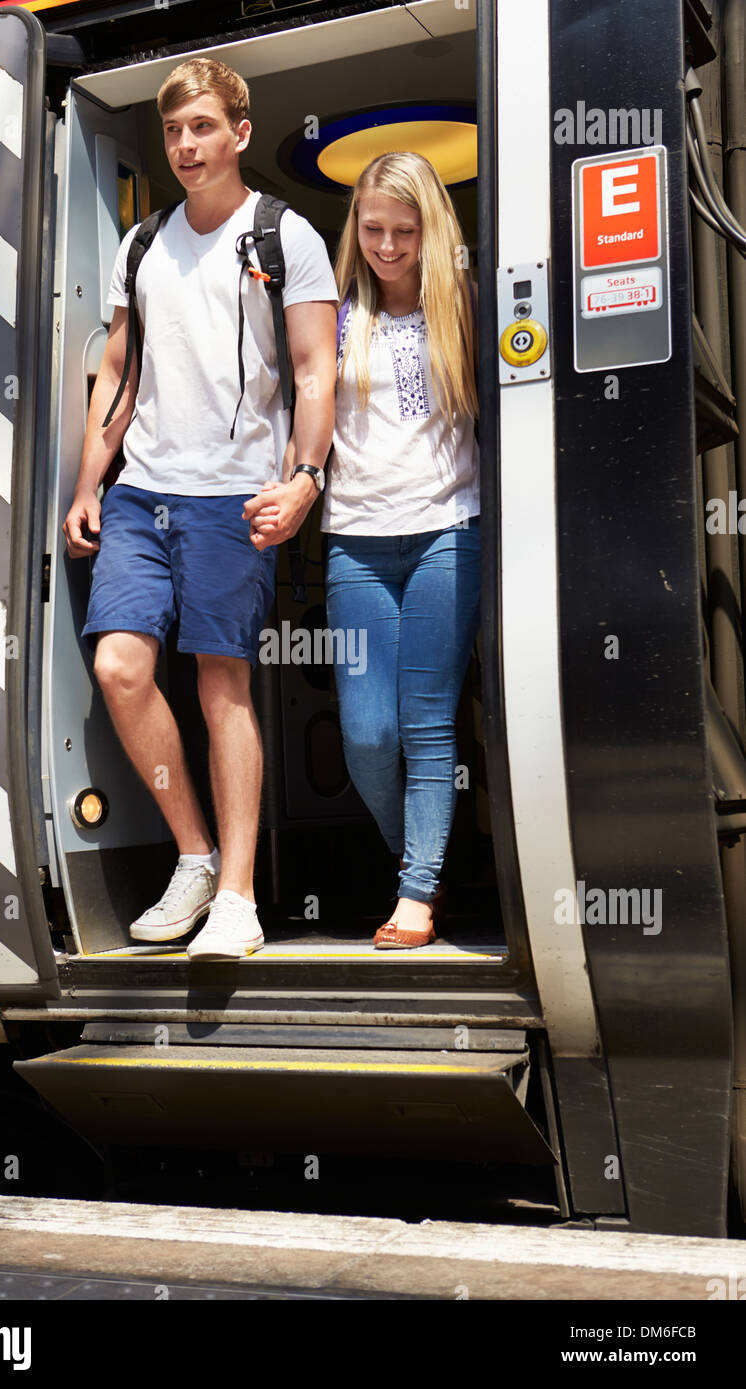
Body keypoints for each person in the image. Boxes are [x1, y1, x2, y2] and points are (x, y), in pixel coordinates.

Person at [63, 57, 337, 960]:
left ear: (240, 133)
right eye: (175, 131)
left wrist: (302, 480)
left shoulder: (283, 234)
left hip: (234, 496)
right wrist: (88, 484)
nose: (186, 146)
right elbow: (118, 371)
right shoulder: (141, 245)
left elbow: (313, 371)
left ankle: (237, 899)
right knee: (121, 670)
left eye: (204, 128)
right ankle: (192, 853)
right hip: (143, 492)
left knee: (223, 689)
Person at [255, 151, 480, 948]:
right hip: (355, 543)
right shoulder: (334, 313)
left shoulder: (466, 307)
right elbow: (295, 414)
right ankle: (416, 858)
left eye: (405, 231)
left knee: (424, 725)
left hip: (446, 532)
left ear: (431, 231)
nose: (388, 245)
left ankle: (416, 892)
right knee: (366, 736)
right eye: (374, 227)